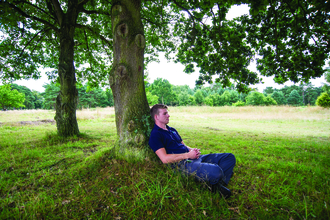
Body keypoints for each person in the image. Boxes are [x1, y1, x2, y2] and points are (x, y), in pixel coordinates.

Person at [148, 104, 236, 198]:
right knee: (217, 171)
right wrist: (188, 155)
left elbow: (183, 145)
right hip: (182, 164)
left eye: (167, 113)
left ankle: (216, 185)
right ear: (156, 117)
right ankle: (217, 181)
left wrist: (192, 150)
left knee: (229, 157)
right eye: (165, 113)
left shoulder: (171, 129)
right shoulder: (155, 135)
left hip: (192, 157)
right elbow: (164, 159)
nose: (168, 115)